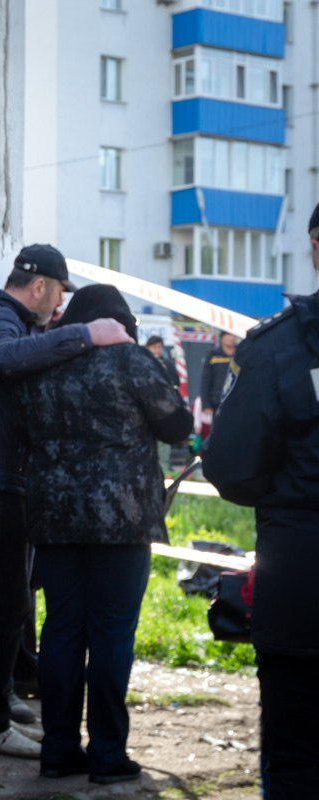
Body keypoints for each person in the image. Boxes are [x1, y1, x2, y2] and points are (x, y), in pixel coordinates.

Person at [0, 244, 134, 758]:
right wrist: (85, 333)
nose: (57, 308)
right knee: (5, 604)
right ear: (41, 286)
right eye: (58, 296)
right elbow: (3, 359)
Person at [18, 284, 192, 785]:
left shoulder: (46, 364)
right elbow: (177, 426)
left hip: (54, 518)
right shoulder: (133, 362)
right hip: (122, 520)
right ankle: (108, 755)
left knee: (62, 629)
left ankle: (57, 751)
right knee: (112, 632)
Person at [202, 202, 319, 799]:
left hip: (301, 577)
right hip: (299, 570)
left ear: (315, 248)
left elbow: (230, 467)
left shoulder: (280, 349)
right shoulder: (279, 347)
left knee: (297, 754)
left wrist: (290, 493)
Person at [197, 331, 237, 437]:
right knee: (218, 433)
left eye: (233, 335)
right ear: (222, 338)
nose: (232, 338)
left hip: (237, 401)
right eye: (228, 335)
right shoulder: (213, 355)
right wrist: (206, 404)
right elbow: (205, 381)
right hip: (218, 402)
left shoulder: (240, 354)